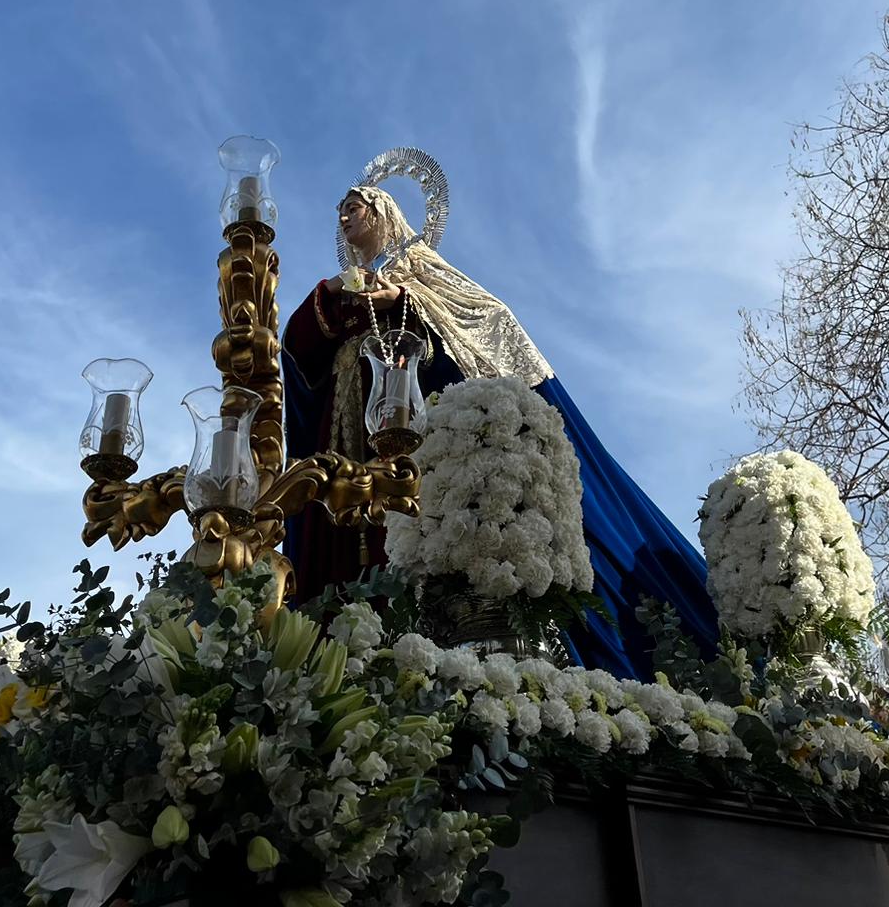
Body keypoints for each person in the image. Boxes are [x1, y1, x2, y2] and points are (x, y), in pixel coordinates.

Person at [282, 183, 718, 679]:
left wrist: (403, 299)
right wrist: (333, 294)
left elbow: (487, 321)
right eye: (339, 212)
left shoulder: (421, 272)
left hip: (419, 447)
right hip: (348, 446)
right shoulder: (339, 289)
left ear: (382, 212)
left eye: (353, 208)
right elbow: (296, 354)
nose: (344, 219)